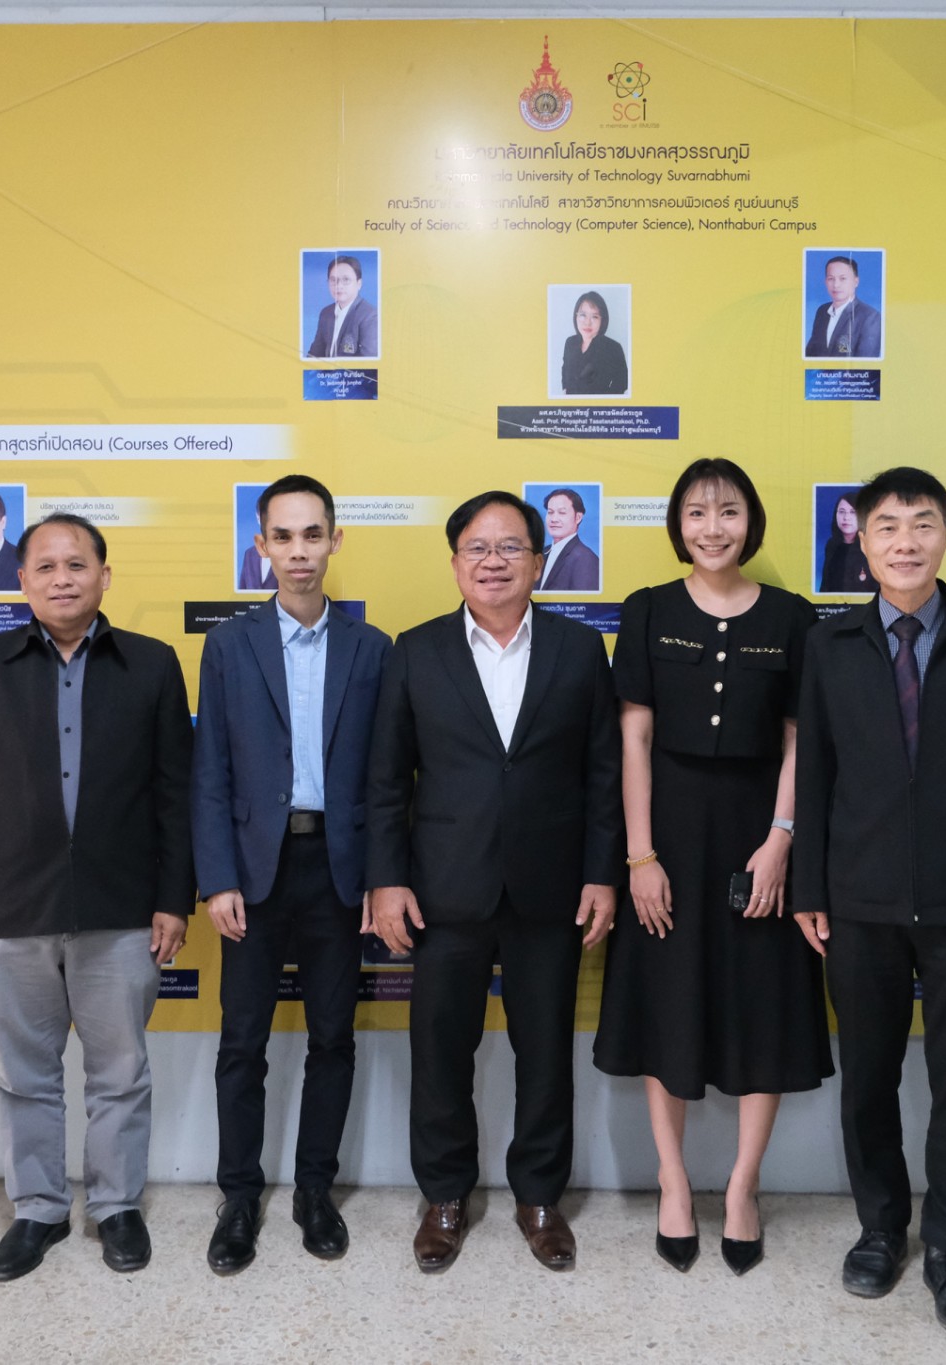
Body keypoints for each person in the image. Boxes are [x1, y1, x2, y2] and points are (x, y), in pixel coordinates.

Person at [794, 467, 946, 1337]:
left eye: (923, 523)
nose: (906, 541)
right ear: (861, 541)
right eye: (889, 526)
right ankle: (879, 1228)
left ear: (945, 534)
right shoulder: (830, 643)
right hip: (857, 898)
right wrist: (810, 886)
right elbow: (815, 772)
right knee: (868, 1075)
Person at [0, 511, 195, 1283]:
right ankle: (38, 1209)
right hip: (8, 908)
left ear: (105, 575)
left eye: (77, 564)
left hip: (122, 908)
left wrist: (174, 897)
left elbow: (176, 795)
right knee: (24, 1072)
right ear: (22, 580)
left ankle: (116, 1205)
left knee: (121, 1070)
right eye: (45, 566)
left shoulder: (152, 663)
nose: (62, 578)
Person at [367, 490, 622, 1275]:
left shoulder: (580, 649)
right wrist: (386, 880)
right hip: (445, 887)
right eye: (477, 548)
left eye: (511, 547)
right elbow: (386, 780)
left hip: (550, 887)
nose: (493, 561)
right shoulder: (416, 650)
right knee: (440, 1049)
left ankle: (539, 1197)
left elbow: (604, 775)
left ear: (539, 562)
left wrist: (601, 875)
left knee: (544, 1049)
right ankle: (445, 1195)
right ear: (454, 563)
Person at [593, 458, 831, 1276]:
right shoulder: (649, 609)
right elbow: (633, 738)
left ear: (750, 522)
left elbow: (799, 738)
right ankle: (672, 1180)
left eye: (728, 512)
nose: (712, 528)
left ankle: (741, 1186)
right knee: (669, 1001)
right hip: (668, 833)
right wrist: (640, 855)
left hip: (760, 831)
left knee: (764, 1004)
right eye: (696, 512)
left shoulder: (793, 617)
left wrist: (781, 839)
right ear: (678, 525)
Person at [193, 474, 391, 1275]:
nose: (299, 551)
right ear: (261, 545)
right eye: (284, 535)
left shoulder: (372, 649)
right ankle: (239, 1196)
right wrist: (217, 877)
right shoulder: (228, 645)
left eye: (314, 534)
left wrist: (380, 874)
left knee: (332, 1036)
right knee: (242, 1040)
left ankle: (315, 1190)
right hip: (253, 870)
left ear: (335, 540)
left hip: (339, 869)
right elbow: (209, 772)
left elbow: (386, 778)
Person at [804, 255, 882, 360]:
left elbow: (866, 363)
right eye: (831, 278)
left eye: (843, 278)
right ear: (825, 281)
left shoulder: (870, 317)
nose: (836, 285)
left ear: (856, 282)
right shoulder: (822, 311)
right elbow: (810, 352)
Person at [305, 255, 379, 360]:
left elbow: (368, 363)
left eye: (346, 279)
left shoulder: (370, 316)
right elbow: (315, 354)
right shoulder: (326, 313)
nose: (338, 285)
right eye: (333, 280)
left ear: (359, 284)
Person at [560, 291, 629, 396]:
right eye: (583, 315)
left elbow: (622, 384)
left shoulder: (613, 348)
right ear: (576, 317)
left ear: (602, 320)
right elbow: (565, 371)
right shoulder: (570, 343)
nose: (587, 322)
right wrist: (565, 391)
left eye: (594, 317)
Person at [536, 488, 600, 592]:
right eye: (550, 512)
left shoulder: (585, 559)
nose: (554, 519)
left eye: (562, 513)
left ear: (578, 517)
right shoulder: (542, 553)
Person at [818, 492, 871, 594]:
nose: (846, 517)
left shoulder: (871, 547)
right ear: (836, 514)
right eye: (842, 512)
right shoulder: (831, 545)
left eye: (853, 512)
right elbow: (825, 586)